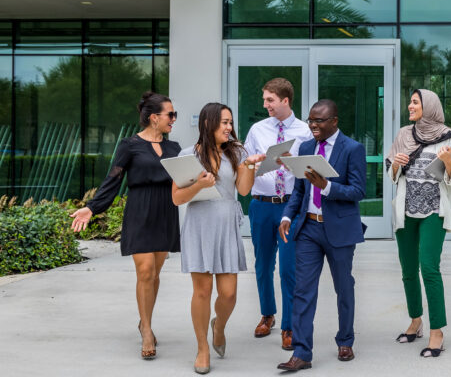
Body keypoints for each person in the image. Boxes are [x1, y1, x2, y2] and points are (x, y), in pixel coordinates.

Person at [70, 91, 181, 360]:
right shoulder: (129, 145)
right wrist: (92, 207)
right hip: (140, 211)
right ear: (154, 118)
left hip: (166, 212)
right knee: (145, 271)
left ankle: (145, 321)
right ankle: (146, 331)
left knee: (155, 275)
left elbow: (185, 180)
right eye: (170, 115)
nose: (173, 119)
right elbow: (113, 180)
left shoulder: (174, 148)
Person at [172, 102, 265, 374]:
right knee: (201, 291)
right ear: (207, 124)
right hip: (199, 224)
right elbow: (177, 198)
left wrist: (248, 165)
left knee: (229, 294)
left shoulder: (236, 152)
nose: (229, 127)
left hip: (226, 225)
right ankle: (202, 348)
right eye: (224, 122)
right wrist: (199, 184)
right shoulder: (188, 155)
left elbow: (244, 191)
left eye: (230, 122)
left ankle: (219, 326)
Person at [277, 99, 367, 371]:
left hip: (339, 230)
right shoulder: (305, 148)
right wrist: (286, 216)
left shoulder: (352, 148)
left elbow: (358, 191)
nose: (313, 125)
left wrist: (327, 186)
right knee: (303, 290)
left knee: (343, 288)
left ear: (334, 121)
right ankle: (302, 353)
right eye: (311, 120)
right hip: (309, 230)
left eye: (319, 121)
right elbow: (299, 192)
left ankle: (345, 340)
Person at [386, 89, 451, 358]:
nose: (410, 105)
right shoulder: (403, 135)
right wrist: (396, 165)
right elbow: (392, 175)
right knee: (408, 270)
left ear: (429, 106)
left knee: (429, 268)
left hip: (434, 211)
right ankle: (415, 320)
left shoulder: (450, 137)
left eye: (415, 102)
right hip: (406, 210)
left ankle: (437, 332)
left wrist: (448, 162)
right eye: (410, 101)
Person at [244, 78, 311, 350]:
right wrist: (253, 163)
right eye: (264, 100)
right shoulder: (257, 130)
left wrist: (293, 165)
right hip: (261, 203)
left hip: (289, 207)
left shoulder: (305, 131)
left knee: (288, 269)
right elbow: (244, 165)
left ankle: (289, 326)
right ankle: (267, 315)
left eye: (270, 100)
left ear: (285, 100)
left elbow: (310, 171)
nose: (265, 105)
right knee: (262, 265)